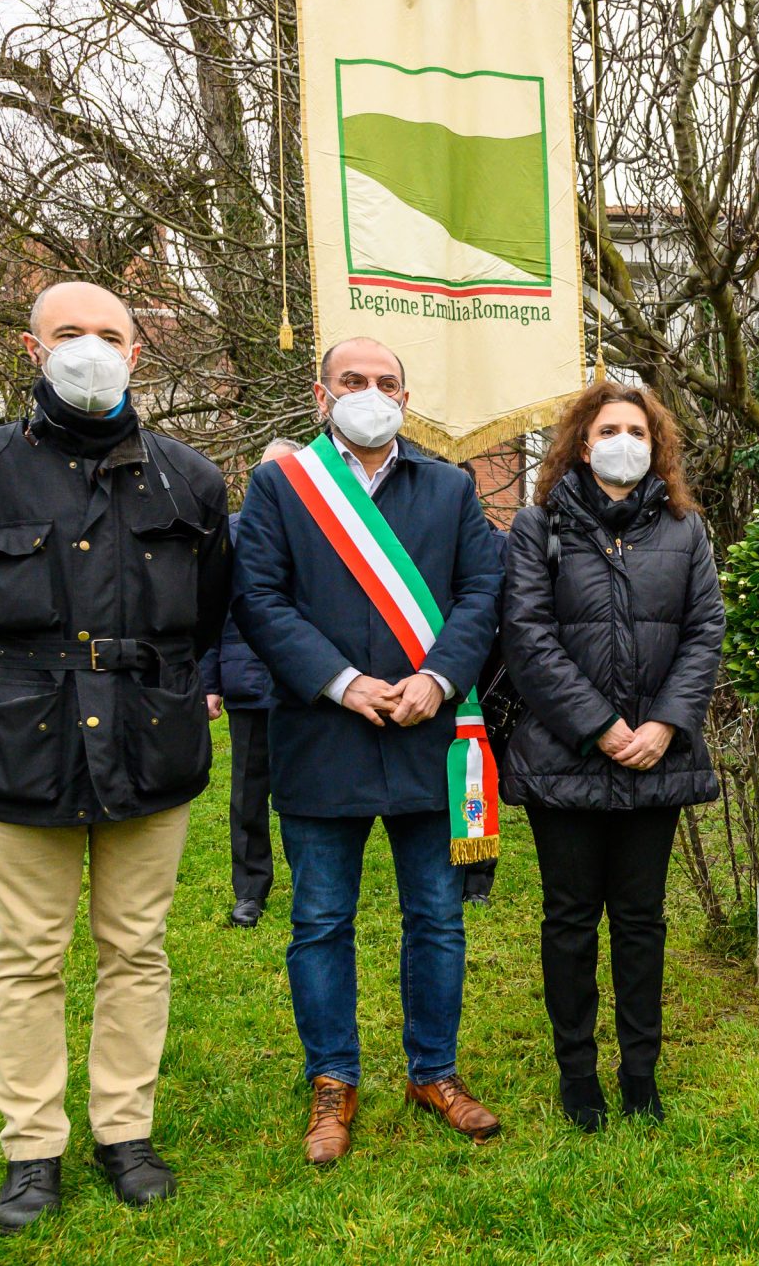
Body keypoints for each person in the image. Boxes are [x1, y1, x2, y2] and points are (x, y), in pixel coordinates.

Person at [0, 281, 230, 1231]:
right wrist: (15, 687)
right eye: (70, 333)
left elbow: (205, 614)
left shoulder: (190, 480)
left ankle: (125, 1129)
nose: (91, 348)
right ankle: (32, 1147)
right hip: (21, 744)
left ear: (138, 354)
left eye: (111, 335)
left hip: (150, 739)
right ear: (31, 347)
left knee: (136, 946)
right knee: (28, 953)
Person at [233, 338, 504, 1164]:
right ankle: (333, 1082)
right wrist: (344, 681)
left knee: (438, 919)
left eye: (387, 382)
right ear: (322, 395)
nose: (372, 393)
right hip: (323, 735)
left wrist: (443, 675)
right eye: (354, 381)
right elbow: (260, 599)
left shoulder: (451, 487)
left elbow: (481, 592)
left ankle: (435, 1072)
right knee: (320, 922)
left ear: (406, 397)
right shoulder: (281, 486)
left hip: (429, 735)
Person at [500, 380, 725, 1133]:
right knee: (568, 919)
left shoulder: (686, 531)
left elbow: (704, 633)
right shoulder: (536, 528)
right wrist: (600, 726)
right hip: (566, 759)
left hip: (654, 762)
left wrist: (663, 724)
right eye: (608, 428)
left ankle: (640, 1073)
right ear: (581, 441)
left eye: (636, 428)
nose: (623, 440)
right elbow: (527, 638)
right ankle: (577, 1076)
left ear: (655, 443)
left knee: (640, 921)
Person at [200, 437, 298, 929]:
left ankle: (312, 881)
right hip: (247, 682)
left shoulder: (322, 531)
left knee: (306, 790)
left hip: (306, 686)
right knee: (248, 794)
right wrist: (210, 682)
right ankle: (250, 890)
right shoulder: (231, 534)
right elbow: (212, 612)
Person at [456, 459, 507, 907]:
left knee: (478, 779)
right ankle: (444, 865)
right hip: (433, 679)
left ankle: (478, 877)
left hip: (486, 684)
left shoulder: (501, 546)